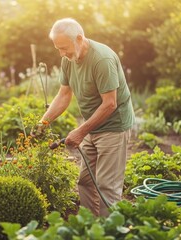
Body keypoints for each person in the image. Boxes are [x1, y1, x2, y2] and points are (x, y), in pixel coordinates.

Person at [34, 18, 135, 217]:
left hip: (114, 126)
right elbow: (64, 95)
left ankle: (110, 230)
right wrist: (43, 122)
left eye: (64, 48)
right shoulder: (69, 60)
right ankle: (89, 227)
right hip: (93, 126)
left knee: (107, 186)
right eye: (58, 49)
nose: (62, 54)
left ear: (79, 39)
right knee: (85, 181)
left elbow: (110, 104)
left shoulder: (102, 60)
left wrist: (80, 131)